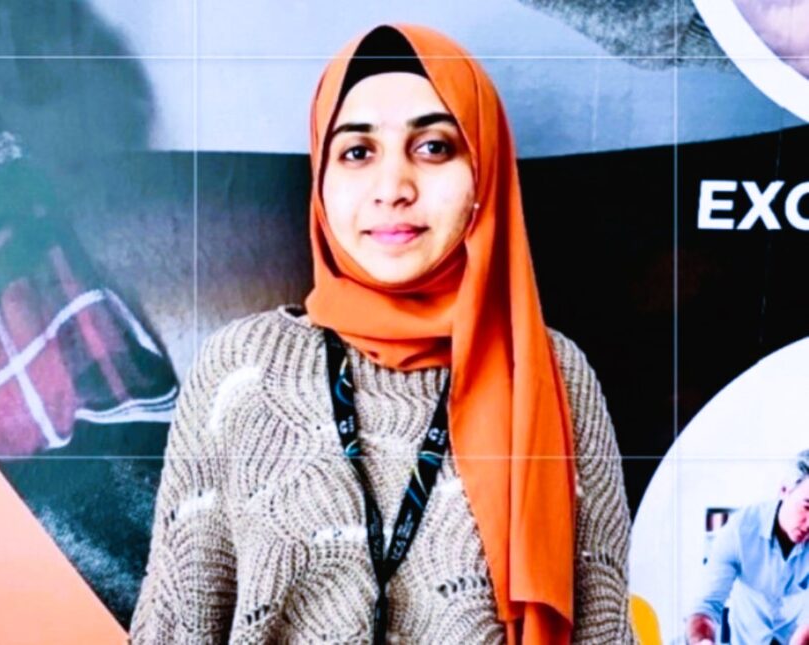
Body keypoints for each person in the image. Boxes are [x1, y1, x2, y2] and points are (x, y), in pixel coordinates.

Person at [130, 24, 633, 644]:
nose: (393, 188)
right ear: (321, 176)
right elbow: (175, 628)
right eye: (357, 152)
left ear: (484, 171)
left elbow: (602, 631)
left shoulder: (550, 372)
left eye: (434, 147)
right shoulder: (243, 371)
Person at [686, 450, 809, 645]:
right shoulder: (739, 531)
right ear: (784, 490)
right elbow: (706, 607)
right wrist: (704, 642)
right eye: (807, 507)